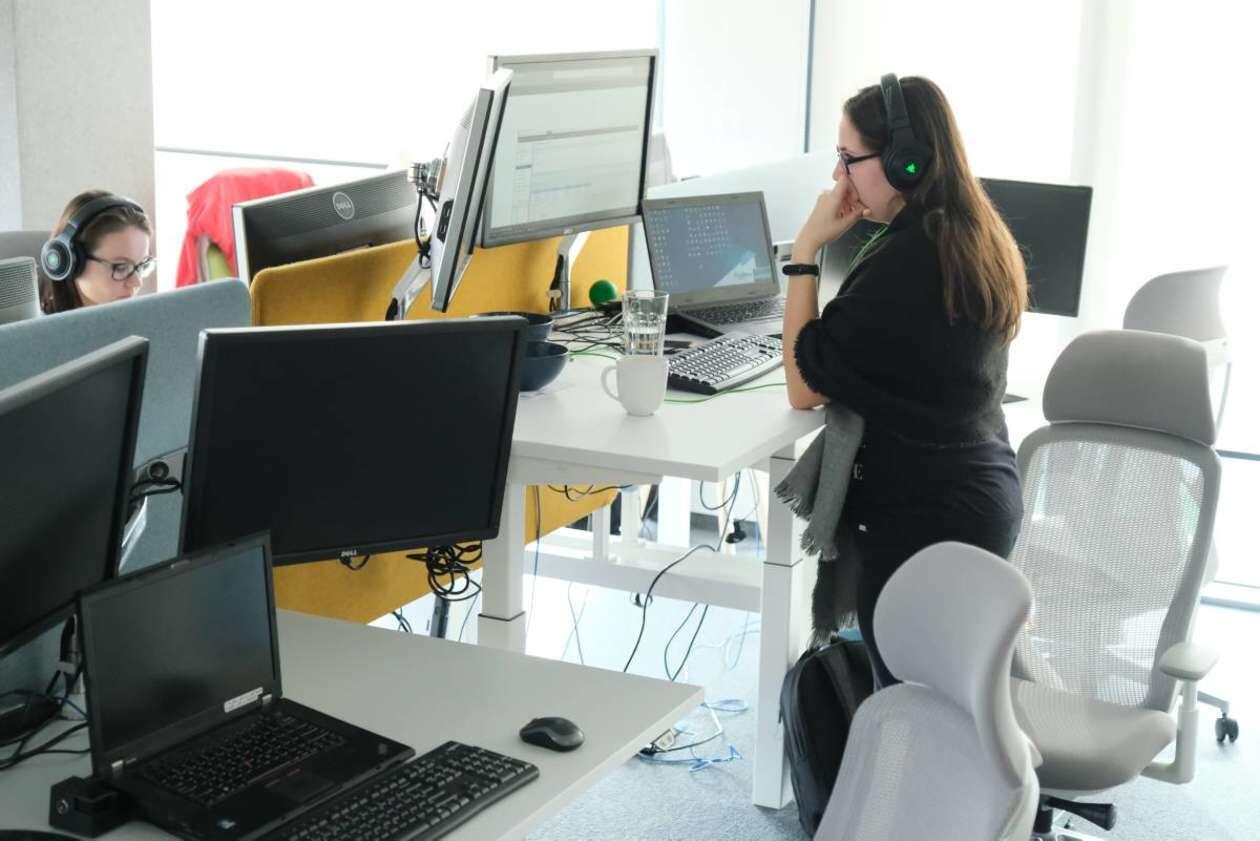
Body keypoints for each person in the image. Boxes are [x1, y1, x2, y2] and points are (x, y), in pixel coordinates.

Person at [781, 75, 1027, 687]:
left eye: (849, 158)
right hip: (975, 500)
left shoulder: (907, 262)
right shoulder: (968, 234)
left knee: (911, 711)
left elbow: (805, 383)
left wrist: (806, 249)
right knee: (940, 704)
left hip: (927, 522)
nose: (839, 176)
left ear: (903, 162)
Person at [39, 190, 154, 315]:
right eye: (121, 268)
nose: (137, 282)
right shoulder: (39, 328)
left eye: (143, 265)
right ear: (70, 261)